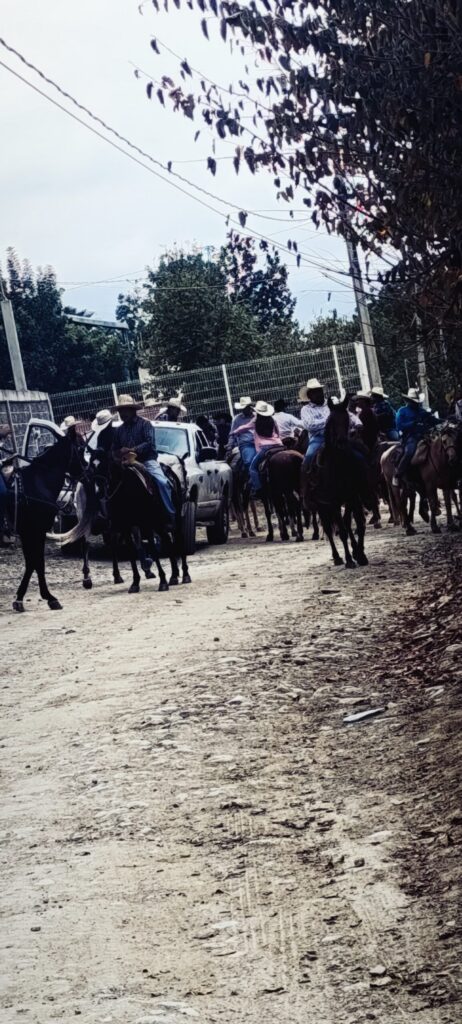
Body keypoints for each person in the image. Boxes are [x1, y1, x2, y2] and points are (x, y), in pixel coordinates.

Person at [111, 394, 175, 525]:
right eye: (120, 410)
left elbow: (150, 443)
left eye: (125, 410)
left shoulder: (145, 424)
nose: (122, 413)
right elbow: (114, 449)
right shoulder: (118, 431)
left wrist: (132, 450)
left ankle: (170, 514)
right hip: (125, 464)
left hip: (146, 461)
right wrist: (118, 453)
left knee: (162, 482)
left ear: (132, 410)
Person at [299, 378, 361, 465]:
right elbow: (310, 425)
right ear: (309, 396)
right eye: (314, 392)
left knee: (360, 455)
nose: (318, 394)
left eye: (319, 391)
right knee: (309, 457)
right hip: (318, 439)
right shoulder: (305, 409)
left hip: (338, 436)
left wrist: (357, 423)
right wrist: (330, 420)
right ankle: (307, 475)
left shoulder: (333, 403)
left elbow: (346, 414)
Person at [233, 400, 282, 495]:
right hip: (278, 445)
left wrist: (235, 432)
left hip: (265, 447)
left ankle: (258, 490)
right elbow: (277, 431)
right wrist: (277, 440)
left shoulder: (255, 421)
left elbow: (244, 427)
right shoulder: (272, 419)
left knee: (252, 468)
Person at [394, 388, 438, 484]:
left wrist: (446, 420)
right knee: (409, 451)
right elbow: (399, 426)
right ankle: (398, 474)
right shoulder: (402, 411)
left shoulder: (422, 411)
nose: (416, 403)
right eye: (413, 402)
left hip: (426, 436)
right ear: (409, 401)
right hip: (411, 437)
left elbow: (433, 420)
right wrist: (413, 423)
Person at [227, 397, 256, 470]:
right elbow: (232, 434)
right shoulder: (237, 419)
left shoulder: (257, 416)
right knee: (249, 462)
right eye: (243, 408)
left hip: (261, 442)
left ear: (250, 407)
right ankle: (251, 479)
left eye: (246, 407)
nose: (245, 409)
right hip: (247, 444)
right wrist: (230, 447)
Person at [0, 422, 12, 541]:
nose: (9, 436)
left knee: (9, 489)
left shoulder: (2, 441)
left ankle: (8, 526)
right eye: (8, 433)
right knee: (2, 493)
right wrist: (4, 462)